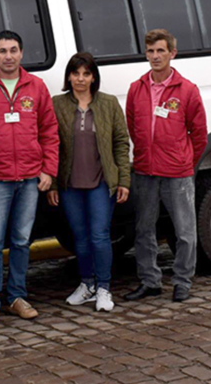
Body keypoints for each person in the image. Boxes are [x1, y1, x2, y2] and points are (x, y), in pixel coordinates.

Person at [0, 30, 59, 325]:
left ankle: (16, 296)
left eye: (13, 50)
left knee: (21, 240)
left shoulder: (37, 86)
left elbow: (49, 131)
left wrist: (48, 171)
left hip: (30, 179)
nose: (8, 56)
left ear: (21, 53)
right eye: (3, 51)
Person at [123, 29, 208, 303]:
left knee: (184, 231)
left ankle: (182, 281)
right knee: (144, 230)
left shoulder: (187, 90)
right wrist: (147, 155)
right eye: (150, 51)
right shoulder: (137, 88)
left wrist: (184, 161)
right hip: (146, 171)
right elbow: (133, 127)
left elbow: (200, 134)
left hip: (177, 174)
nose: (155, 56)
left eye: (161, 51)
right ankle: (150, 281)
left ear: (173, 53)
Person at [46, 52, 131, 312]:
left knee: (99, 236)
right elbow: (50, 143)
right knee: (79, 238)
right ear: (68, 76)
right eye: (75, 73)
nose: (80, 79)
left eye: (86, 74)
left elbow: (120, 142)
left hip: (101, 183)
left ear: (93, 77)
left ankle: (104, 287)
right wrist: (52, 184)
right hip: (70, 184)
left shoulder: (108, 103)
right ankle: (87, 284)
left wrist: (123, 180)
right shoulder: (57, 104)